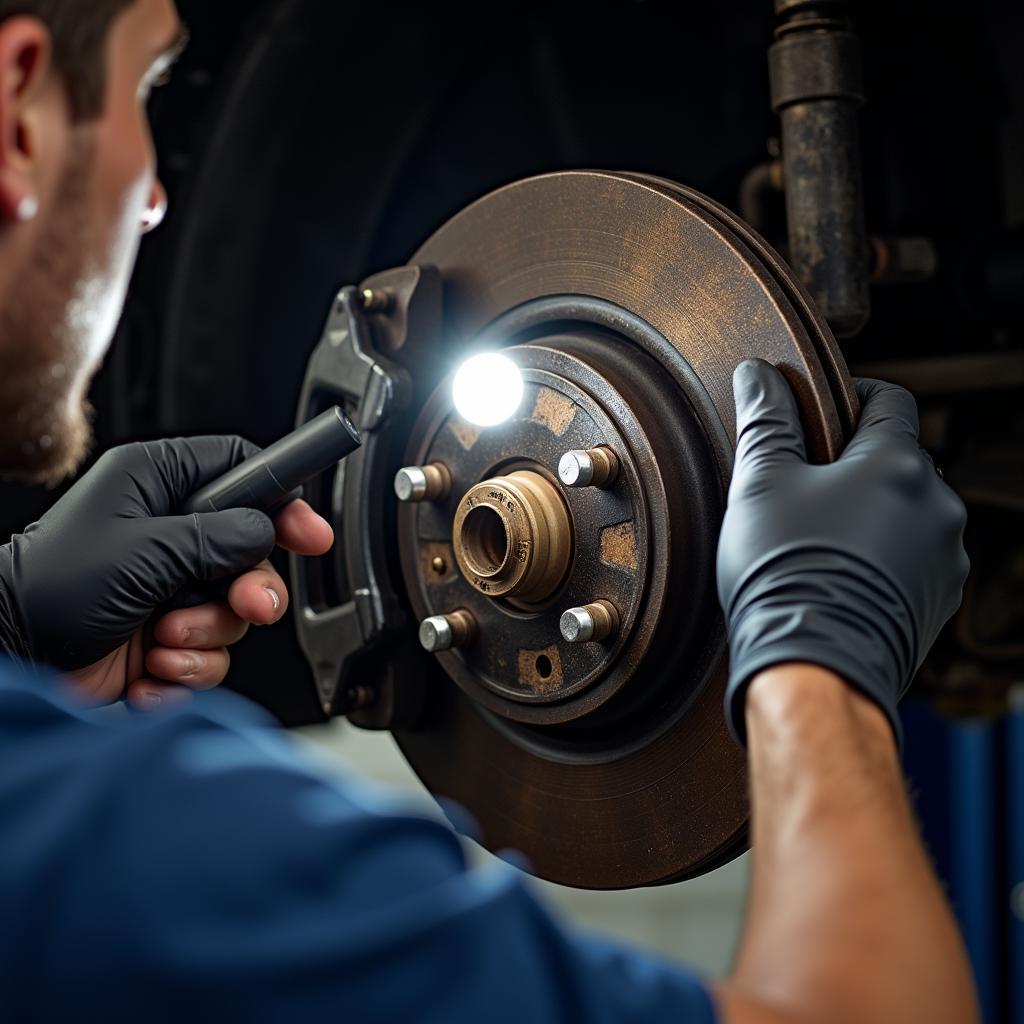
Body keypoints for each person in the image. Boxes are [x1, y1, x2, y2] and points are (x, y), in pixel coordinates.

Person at [0, 2, 978, 1021]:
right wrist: (817, 652)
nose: (155, 197)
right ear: (20, 114)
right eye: (146, 88)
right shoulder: (146, 858)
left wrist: (8, 629)